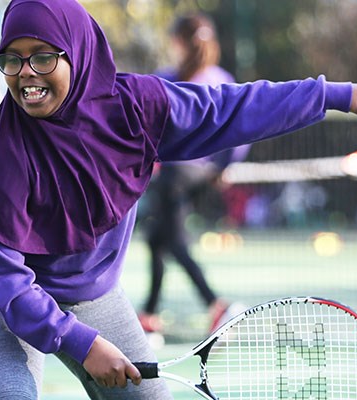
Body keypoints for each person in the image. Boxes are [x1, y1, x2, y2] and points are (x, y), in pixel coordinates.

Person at [0, 0, 357, 398]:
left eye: (44, 57)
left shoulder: (136, 108)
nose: (26, 72)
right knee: (11, 395)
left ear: (79, 54)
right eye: (13, 59)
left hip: (89, 288)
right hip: (0, 294)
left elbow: (231, 108)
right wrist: (79, 342)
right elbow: (5, 282)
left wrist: (331, 94)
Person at [138, 13, 248, 335]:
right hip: (201, 176)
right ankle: (149, 313)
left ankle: (217, 305)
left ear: (178, 42)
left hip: (175, 175)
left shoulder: (166, 79)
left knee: (172, 241)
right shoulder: (223, 78)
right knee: (157, 239)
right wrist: (222, 167)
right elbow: (243, 130)